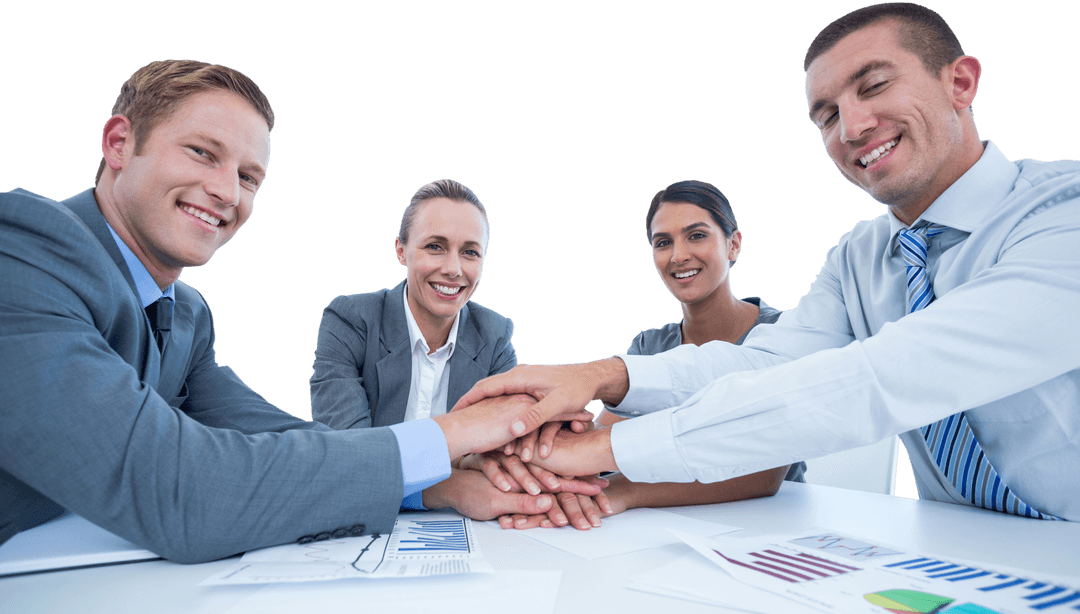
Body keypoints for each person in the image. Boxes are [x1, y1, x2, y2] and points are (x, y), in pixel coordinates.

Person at [452, 2, 1080, 522]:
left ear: (961, 82)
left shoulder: (1062, 213)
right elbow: (768, 360)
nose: (853, 127)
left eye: (875, 85)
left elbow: (881, 379)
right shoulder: (860, 254)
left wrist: (600, 452)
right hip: (967, 556)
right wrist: (598, 376)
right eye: (826, 115)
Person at [0, 60, 587, 564]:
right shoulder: (25, 249)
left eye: (249, 177)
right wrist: (450, 435)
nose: (229, 192)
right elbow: (178, 488)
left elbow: (284, 436)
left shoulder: (187, 315)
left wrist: (438, 489)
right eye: (203, 153)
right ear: (118, 144)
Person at [488, 180, 806, 530]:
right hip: (674, 525)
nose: (679, 255)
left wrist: (625, 493)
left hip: (773, 524)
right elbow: (602, 442)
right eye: (663, 242)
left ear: (733, 244)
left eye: (696, 235)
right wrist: (541, 452)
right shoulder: (650, 347)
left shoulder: (782, 334)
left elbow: (764, 472)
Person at [310, 178, 604, 512]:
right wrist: (447, 486)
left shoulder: (494, 337)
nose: (453, 269)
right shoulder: (350, 321)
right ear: (401, 250)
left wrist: (561, 441)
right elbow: (348, 458)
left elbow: (504, 452)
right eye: (435, 246)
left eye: (470, 252)